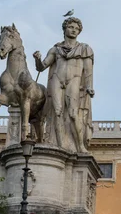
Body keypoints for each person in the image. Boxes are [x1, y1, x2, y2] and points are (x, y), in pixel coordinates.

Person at [33, 17, 94, 153]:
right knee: (57, 112)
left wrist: (89, 86)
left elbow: (88, 71)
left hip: (74, 80)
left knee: (73, 113)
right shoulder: (56, 49)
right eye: (71, 27)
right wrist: (37, 59)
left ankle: (80, 146)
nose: (73, 30)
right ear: (65, 28)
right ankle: (60, 146)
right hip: (57, 79)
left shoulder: (84, 49)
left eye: (76, 28)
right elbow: (42, 67)